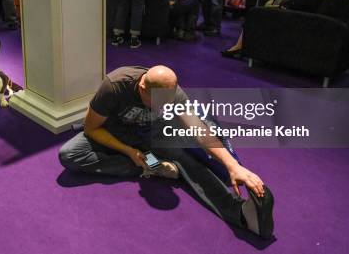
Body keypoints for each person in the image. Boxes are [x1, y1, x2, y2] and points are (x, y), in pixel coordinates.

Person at [58, 65, 275, 240]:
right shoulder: (115, 86)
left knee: (187, 161)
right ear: (142, 87)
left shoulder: (174, 94)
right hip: (117, 134)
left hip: (153, 134)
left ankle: (240, 213)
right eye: (160, 100)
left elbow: (200, 132)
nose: (167, 104)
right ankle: (154, 165)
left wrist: (234, 166)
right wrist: (128, 151)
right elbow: (91, 128)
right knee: (69, 155)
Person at [222, 0, 348, 57]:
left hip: (293, 21)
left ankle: (239, 46)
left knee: (255, 12)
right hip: (311, 24)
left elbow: (284, 1)